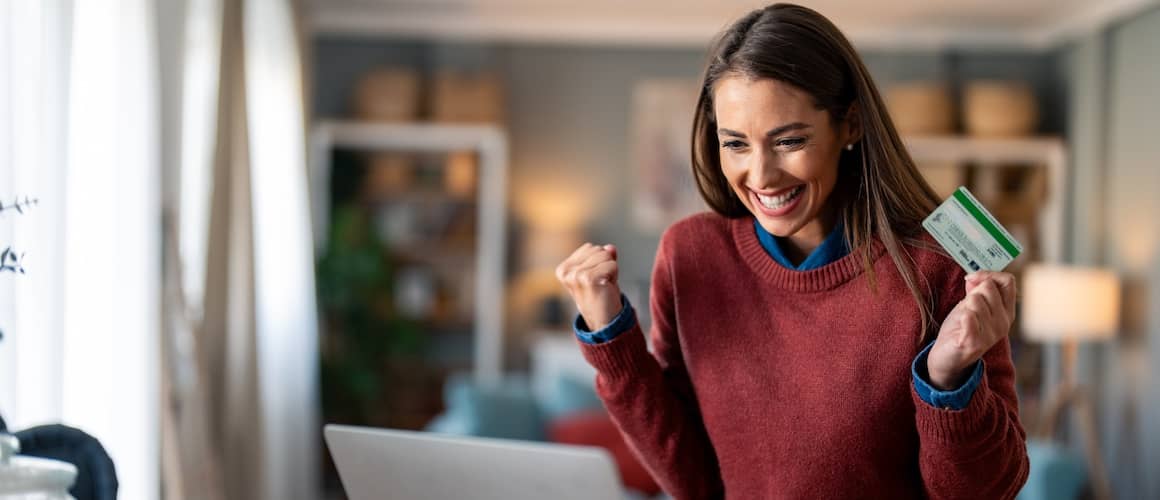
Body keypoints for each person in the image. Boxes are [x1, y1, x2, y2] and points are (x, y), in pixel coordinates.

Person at [555, 3, 1029, 499]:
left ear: (850, 125)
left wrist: (948, 376)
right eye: (735, 144)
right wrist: (611, 337)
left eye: (789, 141)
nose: (760, 176)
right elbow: (692, 481)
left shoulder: (941, 267)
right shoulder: (689, 255)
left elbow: (987, 492)